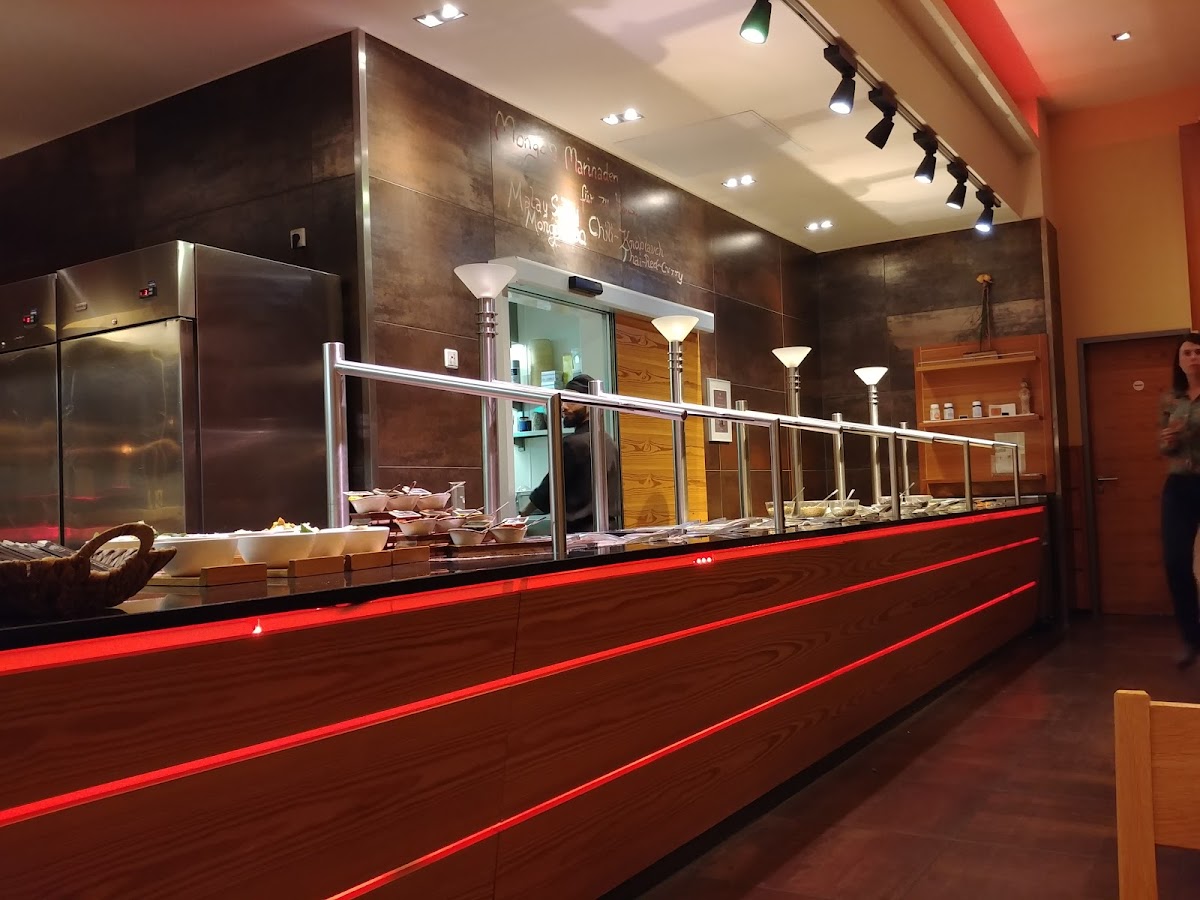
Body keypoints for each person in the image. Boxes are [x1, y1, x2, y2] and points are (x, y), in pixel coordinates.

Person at [523, 373, 623, 533]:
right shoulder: (608, 441)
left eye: (571, 401)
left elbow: (548, 490)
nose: (563, 407)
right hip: (609, 532)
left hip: (579, 536)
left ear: (590, 406)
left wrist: (521, 516)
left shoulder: (573, 444)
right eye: (563, 400)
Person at [1160, 333, 1200, 668]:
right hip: (1179, 485)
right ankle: (1191, 638)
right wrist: (1169, 439)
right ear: (1179, 360)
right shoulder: (1171, 399)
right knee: (1175, 561)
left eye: (1199, 352)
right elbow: (1164, 448)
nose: (1193, 357)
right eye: (1187, 353)